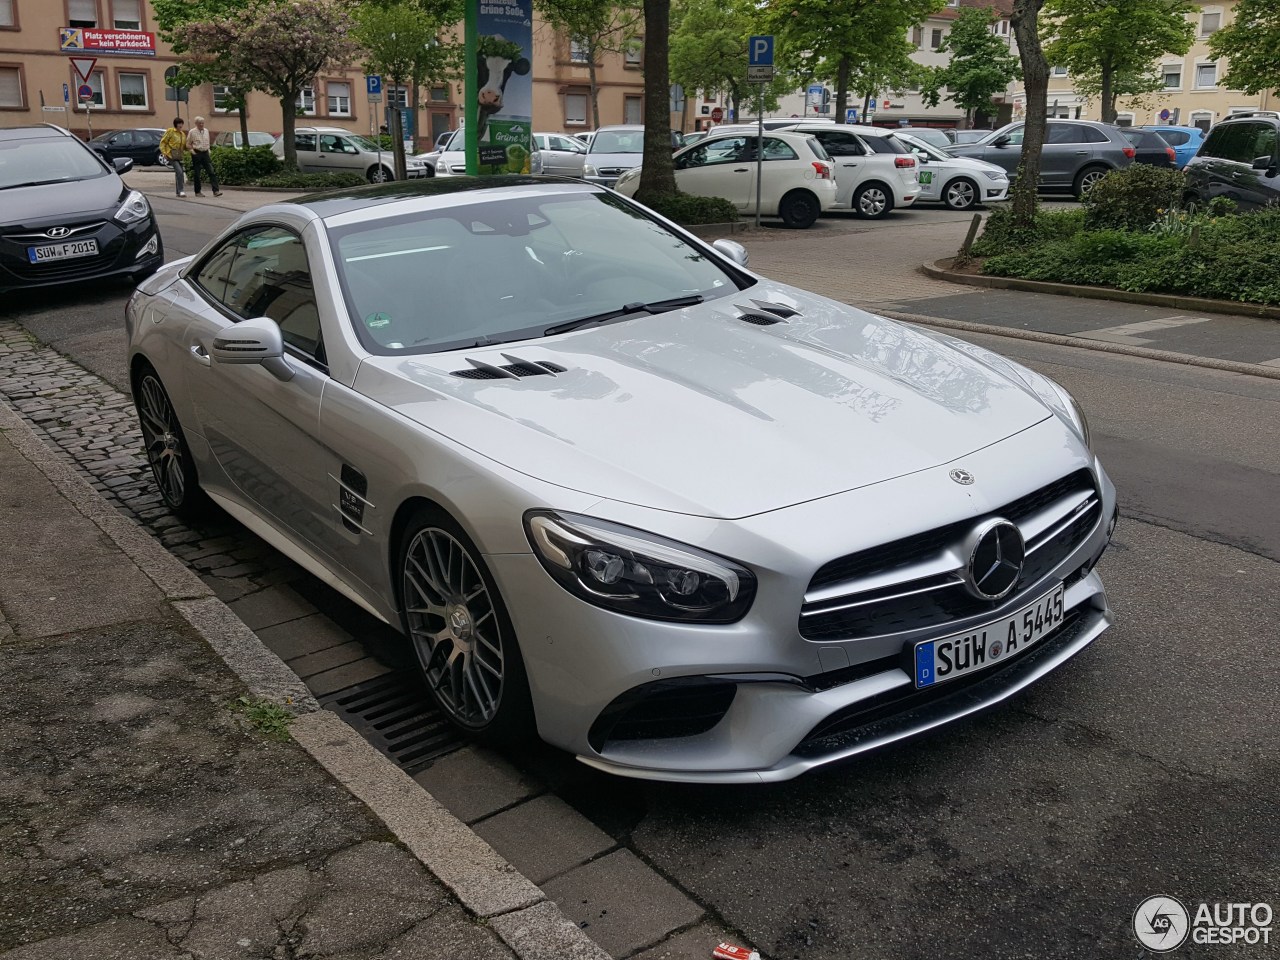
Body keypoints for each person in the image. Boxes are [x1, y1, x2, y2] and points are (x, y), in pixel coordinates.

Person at [186, 116, 221, 197]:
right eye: (200, 123)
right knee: (197, 173)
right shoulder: (192, 132)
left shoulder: (206, 131)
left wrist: (209, 151)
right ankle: (197, 192)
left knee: (211, 171)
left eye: (202, 123)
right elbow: (188, 144)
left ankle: (216, 191)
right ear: (196, 124)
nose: (201, 124)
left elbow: (207, 142)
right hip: (197, 152)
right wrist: (193, 152)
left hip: (205, 153)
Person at [159, 117, 187, 197]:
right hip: (171, 155)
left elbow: (184, 146)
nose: (180, 125)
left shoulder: (182, 134)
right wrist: (164, 153)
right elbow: (163, 142)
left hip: (179, 156)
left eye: (181, 123)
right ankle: (181, 190)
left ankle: (178, 191)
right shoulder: (170, 131)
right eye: (179, 124)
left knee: (179, 173)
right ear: (176, 124)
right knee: (179, 171)